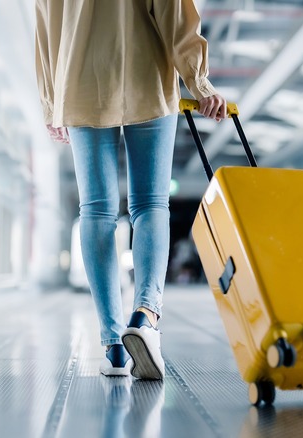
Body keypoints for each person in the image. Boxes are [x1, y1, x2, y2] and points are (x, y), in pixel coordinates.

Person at [34, 0, 226, 380]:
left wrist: (51, 103)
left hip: (79, 81)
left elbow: (45, 28)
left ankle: (113, 347)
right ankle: (146, 314)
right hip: (147, 76)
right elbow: (173, 12)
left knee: (96, 210)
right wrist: (198, 81)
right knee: (151, 204)